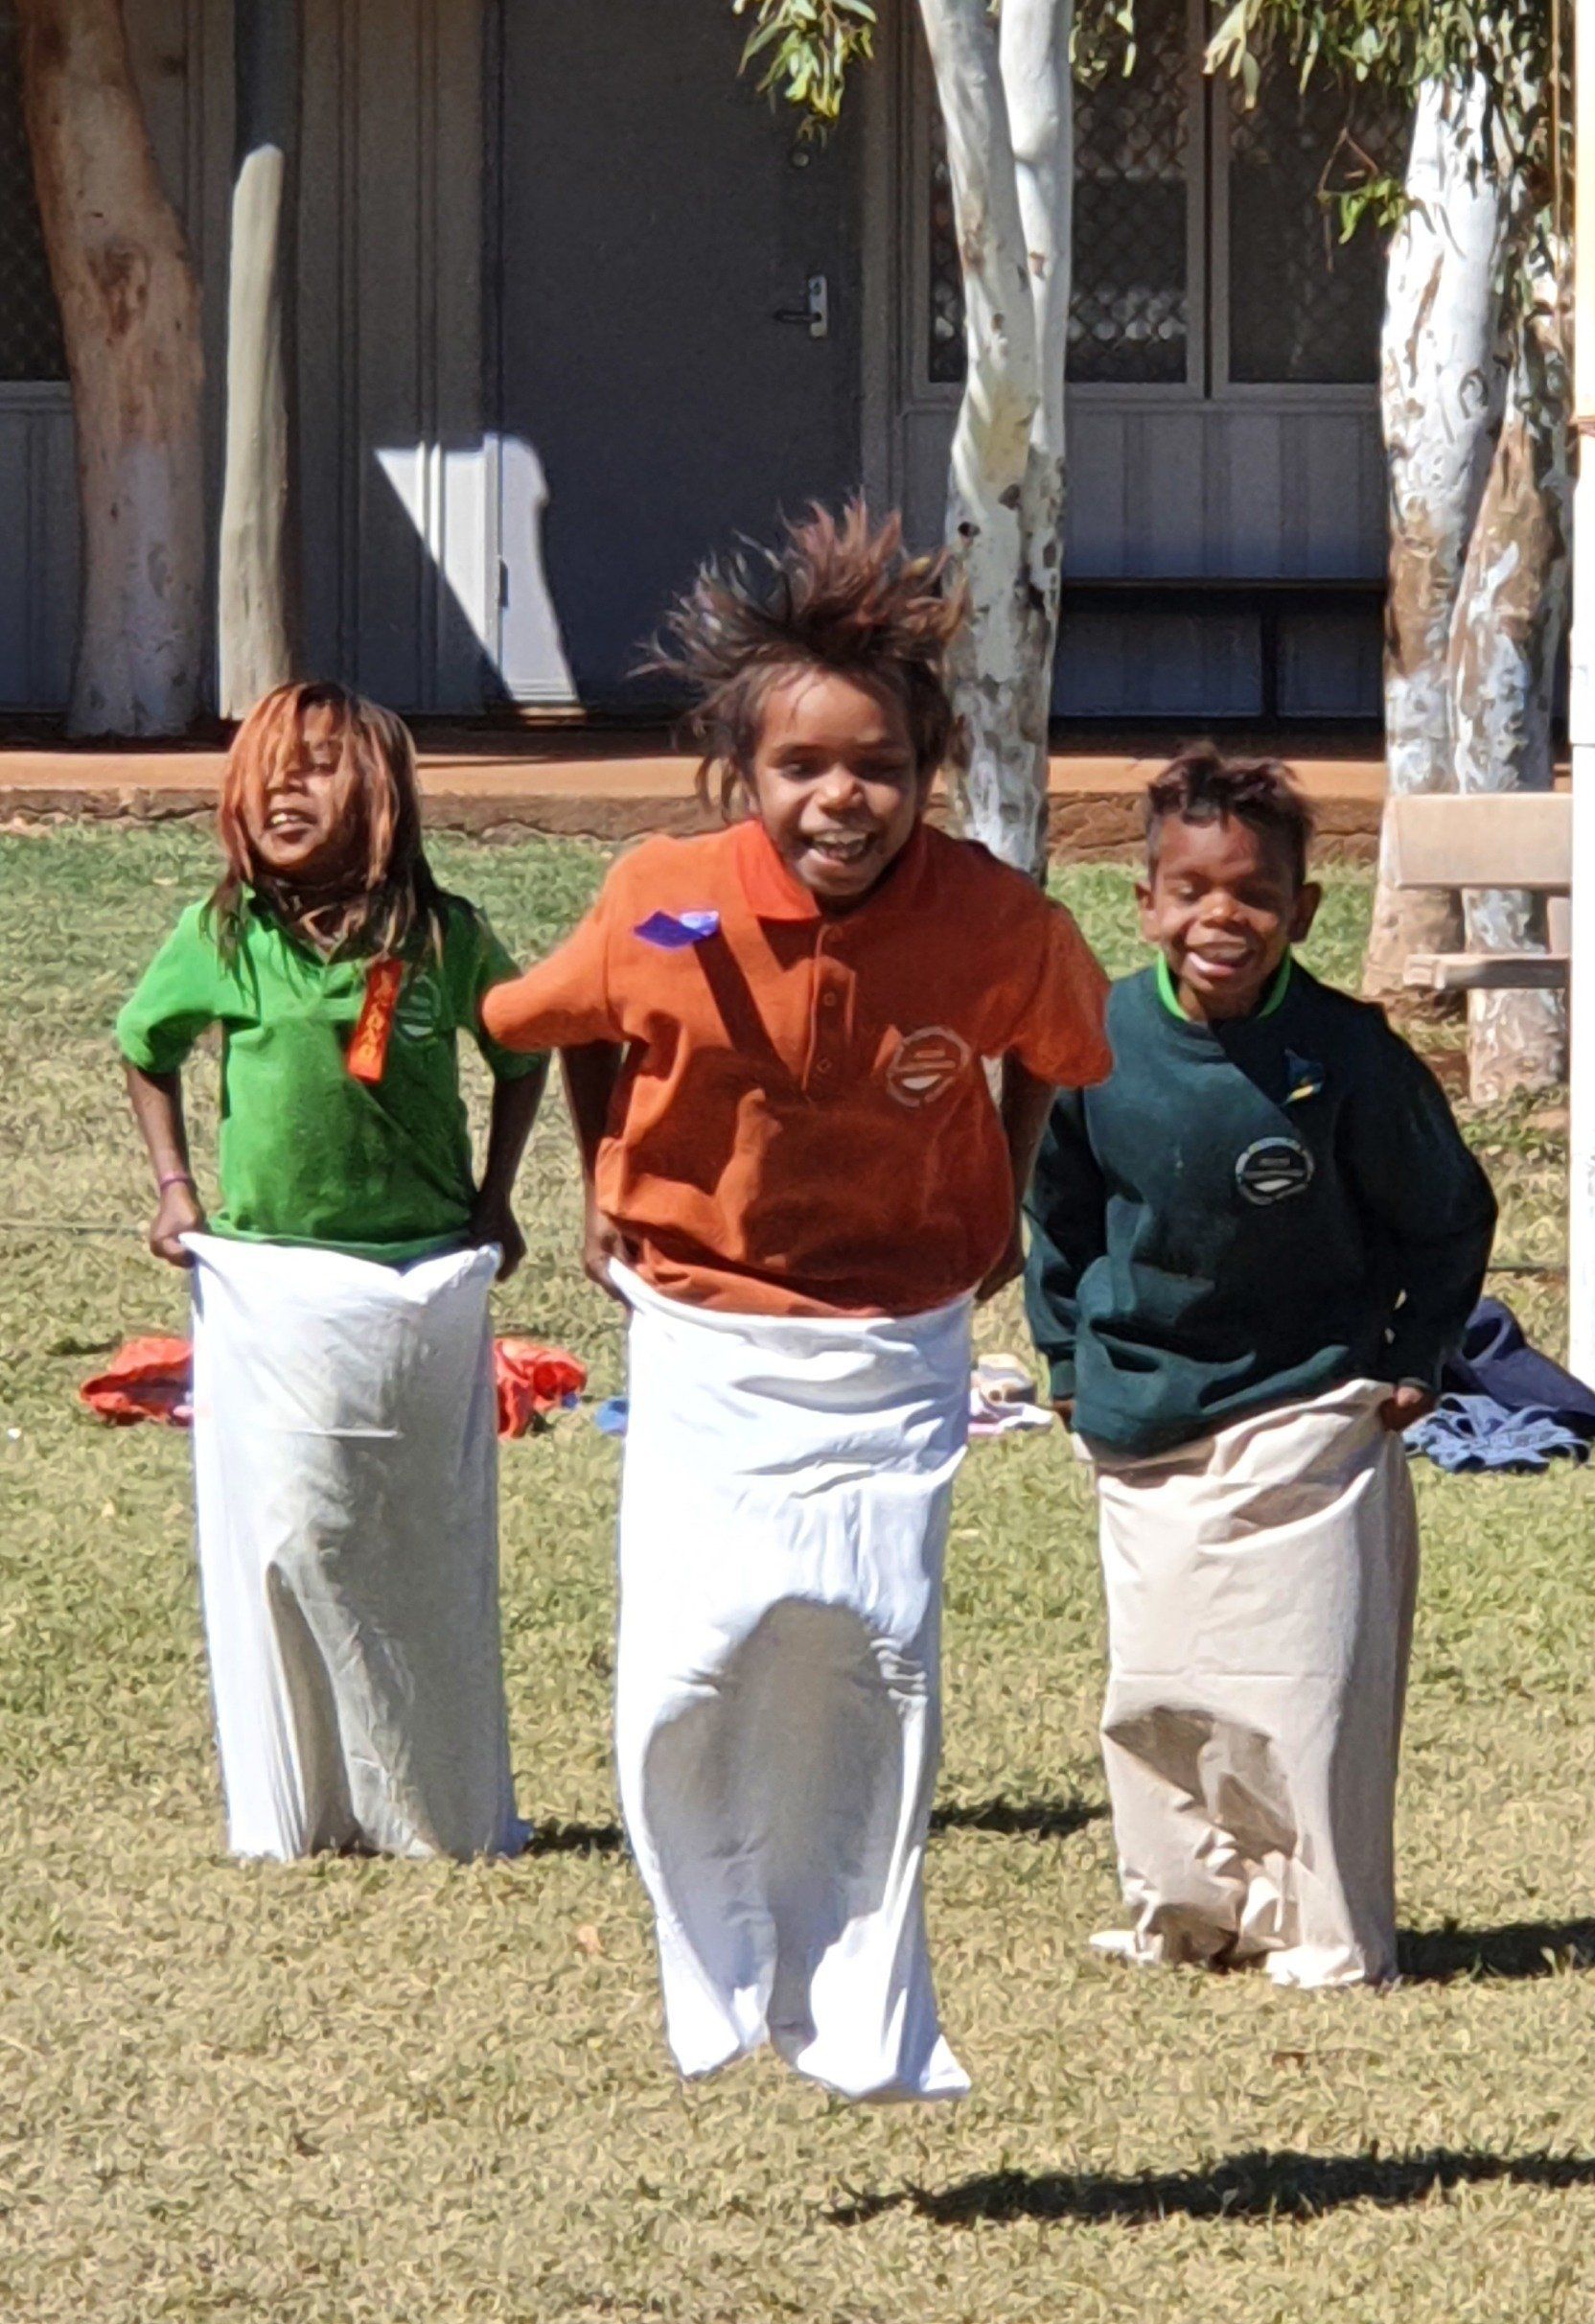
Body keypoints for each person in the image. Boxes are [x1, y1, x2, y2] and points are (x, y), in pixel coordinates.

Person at [481, 504, 1112, 2100]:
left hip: (893, 1345)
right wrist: (603, 1184)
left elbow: (1057, 1050)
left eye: (881, 767)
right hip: (705, 1337)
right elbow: (550, 1020)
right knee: (696, 1665)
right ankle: (713, 1975)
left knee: (875, 1654)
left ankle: (858, 2012)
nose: (844, 799)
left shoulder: (990, 917)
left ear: (930, 763)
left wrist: (997, 1208)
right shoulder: (661, 895)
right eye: (803, 768)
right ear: (743, 774)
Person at [1025, 750, 1495, 1987]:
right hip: (1143, 1409)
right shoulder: (1098, 1039)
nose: (1219, 919)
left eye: (1254, 896)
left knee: (1302, 1690)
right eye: (1189, 891)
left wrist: (1412, 1358)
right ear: (1144, 901)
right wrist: (1067, 1353)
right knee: (1162, 1685)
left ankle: (1331, 1937)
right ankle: (1188, 1912)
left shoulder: (1347, 1054)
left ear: (1304, 910)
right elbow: (1058, 1215)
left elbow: (1447, 1214)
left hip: (1309, 1402)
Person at [117, 682, 546, 1863]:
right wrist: (175, 1190)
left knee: (411, 1532)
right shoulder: (222, 937)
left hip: (416, 1283)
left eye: (315, 767)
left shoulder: (442, 937)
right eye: (264, 772)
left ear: (384, 795)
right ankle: (307, 1799)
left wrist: (497, 1200)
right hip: (273, 1289)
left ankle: (428, 1794)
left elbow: (521, 1053)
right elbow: (143, 1046)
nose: (283, 791)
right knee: (296, 1529)